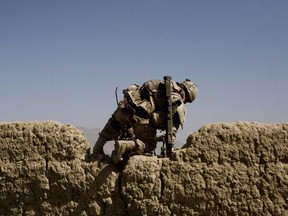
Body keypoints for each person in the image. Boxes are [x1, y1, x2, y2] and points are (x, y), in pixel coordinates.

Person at [92, 77, 198, 163]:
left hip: (125, 105)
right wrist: (170, 148)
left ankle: (97, 149)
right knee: (150, 144)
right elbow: (160, 124)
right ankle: (125, 146)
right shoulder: (178, 101)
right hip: (140, 114)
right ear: (188, 96)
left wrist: (159, 137)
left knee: (114, 124)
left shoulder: (164, 84)